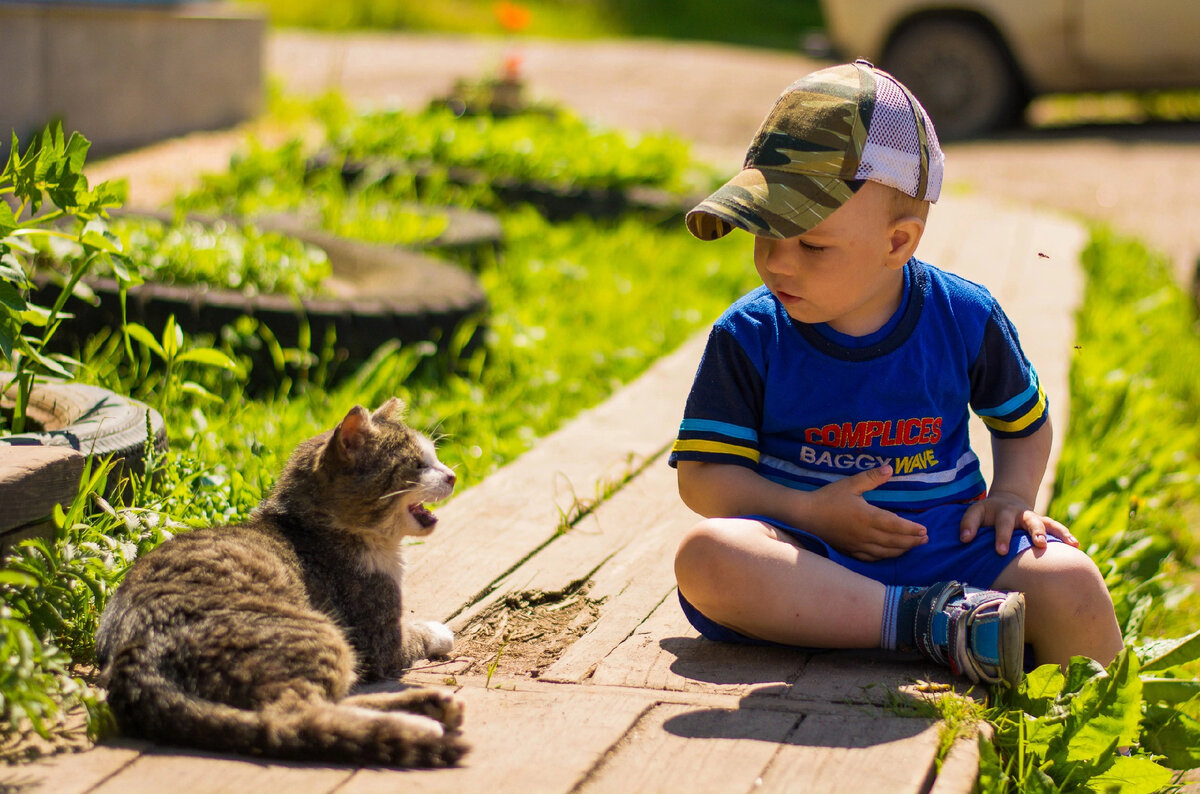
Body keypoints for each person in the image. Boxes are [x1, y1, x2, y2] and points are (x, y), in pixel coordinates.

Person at [670, 60, 1122, 686]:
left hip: (949, 548)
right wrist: (810, 511)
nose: (777, 262)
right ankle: (929, 624)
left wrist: (1013, 497)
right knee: (708, 558)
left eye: (812, 244)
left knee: (1072, 579)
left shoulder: (964, 316)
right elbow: (703, 478)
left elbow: (1024, 421)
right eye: (765, 230)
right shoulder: (750, 334)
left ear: (898, 242)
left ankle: (1105, 739)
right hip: (810, 555)